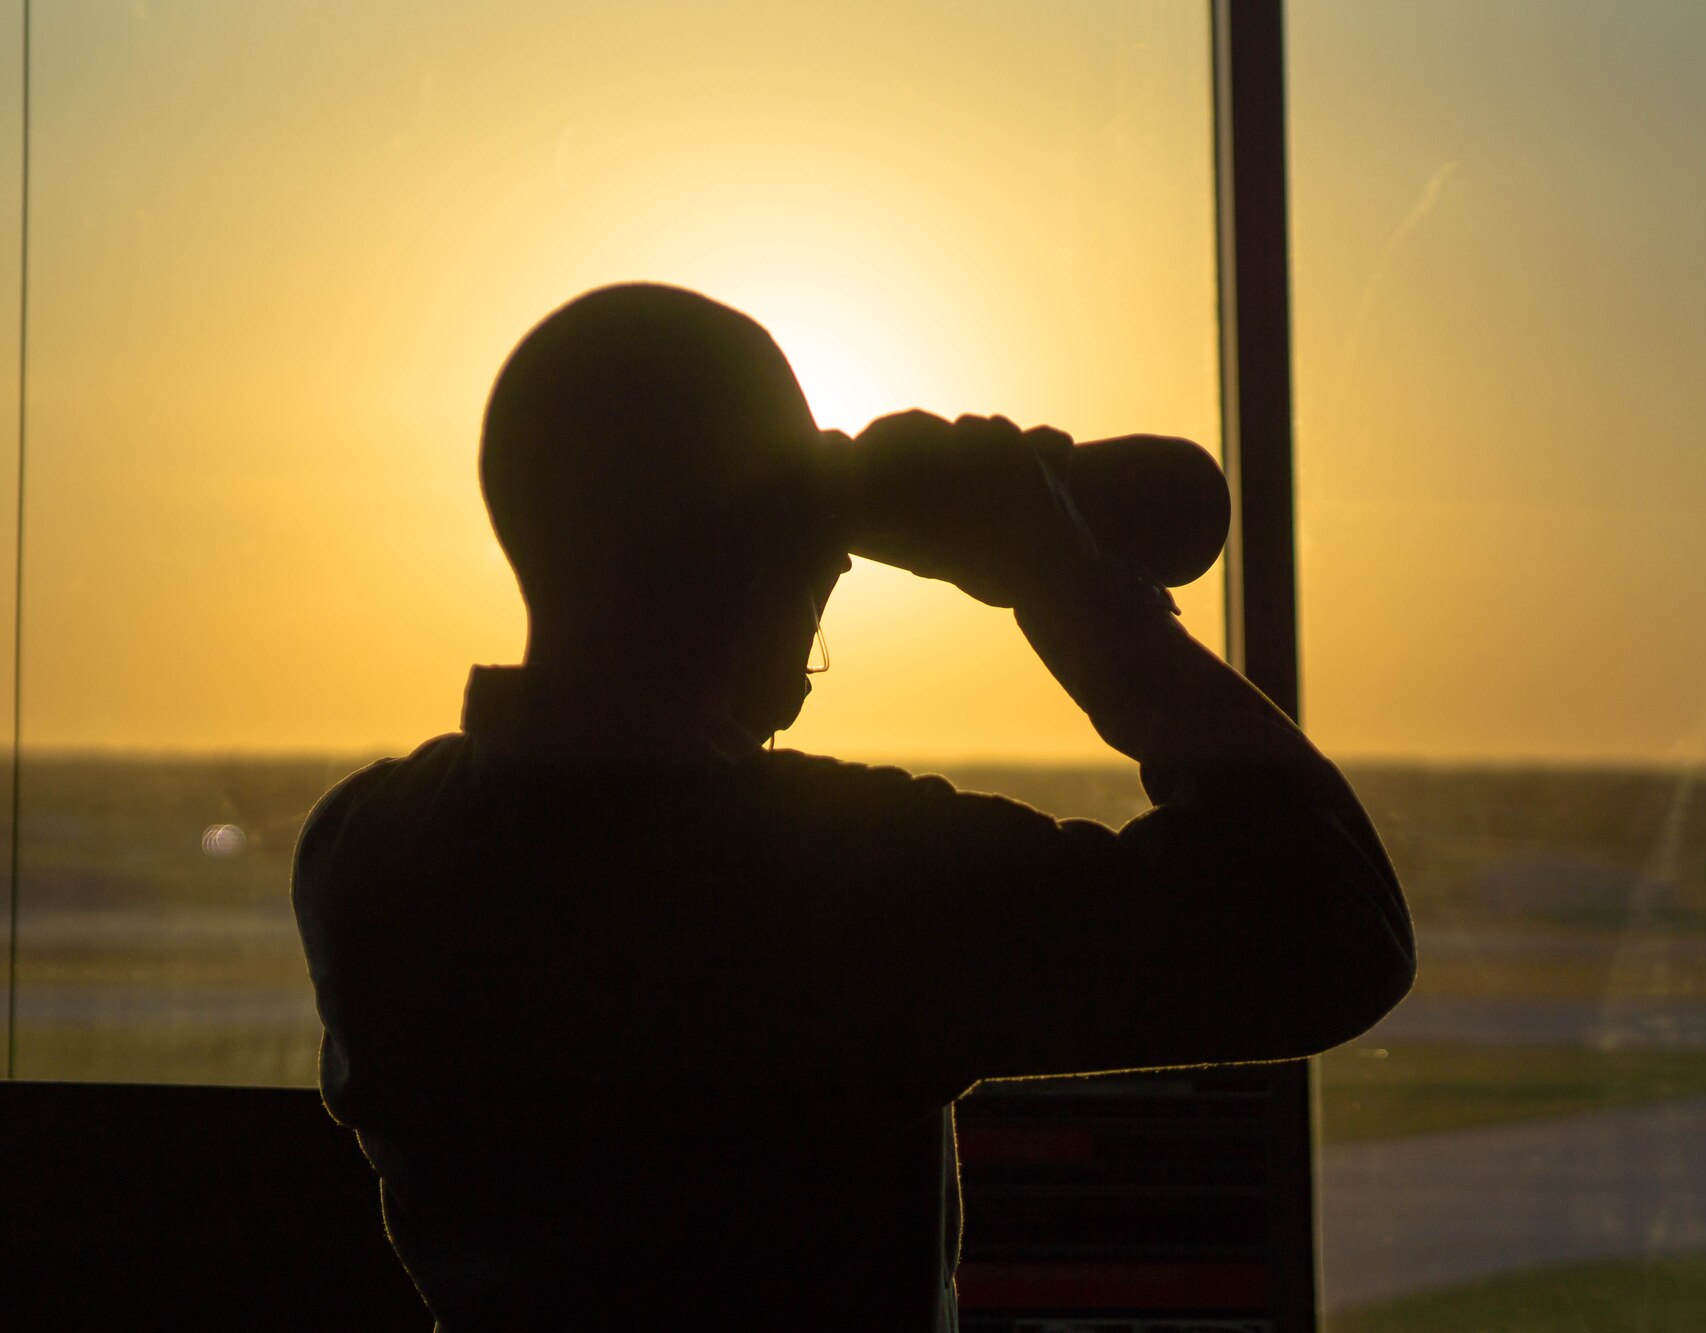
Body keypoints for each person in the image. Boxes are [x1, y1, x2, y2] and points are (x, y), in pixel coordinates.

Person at [292, 282, 1415, 1330]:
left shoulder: (365, 853)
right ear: (747, 548)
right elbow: (1330, 930)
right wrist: (1065, 583)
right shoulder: (829, 887)